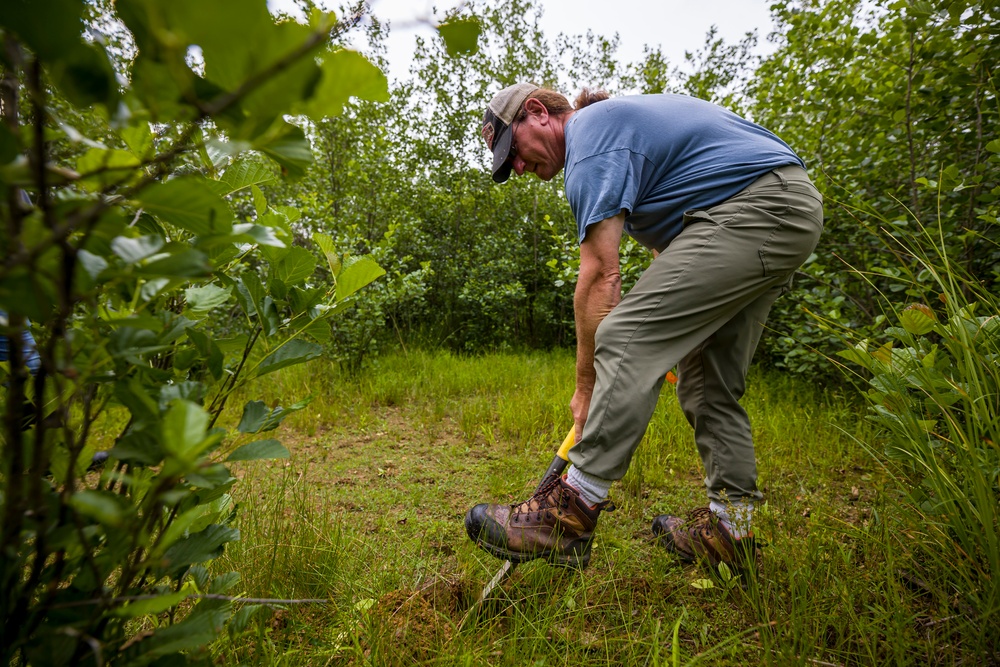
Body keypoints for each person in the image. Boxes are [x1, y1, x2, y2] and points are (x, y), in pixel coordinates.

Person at [465, 83, 824, 570]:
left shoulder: (589, 136)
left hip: (756, 208)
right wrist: (669, 335)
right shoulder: (619, 131)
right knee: (707, 385)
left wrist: (587, 387)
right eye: (509, 167)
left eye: (515, 152)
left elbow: (599, 274)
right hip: (781, 207)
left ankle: (568, 515)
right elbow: (673, 251)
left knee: (622, 335)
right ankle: (731, 534)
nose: (521, 168)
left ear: (537, 112)